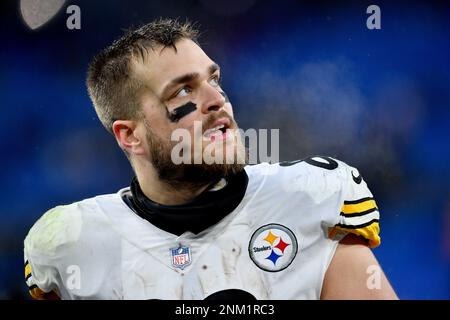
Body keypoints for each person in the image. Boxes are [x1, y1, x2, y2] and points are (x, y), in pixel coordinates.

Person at [23, 18, 398, 300]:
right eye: (183, 89)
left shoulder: (309, 200)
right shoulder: (74, 243)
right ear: (130, 135)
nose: (217, 99)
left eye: (213, 79)